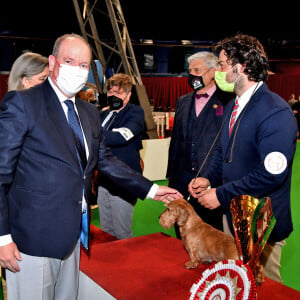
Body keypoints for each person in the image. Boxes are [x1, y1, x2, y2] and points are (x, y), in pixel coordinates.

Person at [0, 33, 182, 300]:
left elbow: (105, 161)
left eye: (84, 65)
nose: (77, 70)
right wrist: (3, 238)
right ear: (52, 63)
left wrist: (152, 190)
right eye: (69, 61)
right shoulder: (23, 103)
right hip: (31, 240)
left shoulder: (88, 113)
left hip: (74, 238)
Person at [188, 34, 298, 283]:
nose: (218, 70)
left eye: (223, 65)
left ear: (242, 68)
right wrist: (207, 178)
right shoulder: (233, 106)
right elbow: (223, 153)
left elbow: (270, 174)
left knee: (264, 286)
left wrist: (220, 195)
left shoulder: (275, 112)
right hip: (234, 217)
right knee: (238, 282)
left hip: (262, 223)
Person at [167, 51, 232, 234]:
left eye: (197, 70)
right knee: (181, 234)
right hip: (181, 182)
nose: (192, 75)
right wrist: (172, 176)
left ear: (212, 72)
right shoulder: (183, 101)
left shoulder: (228, 100)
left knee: (212, 237)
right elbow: (176, 141)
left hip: (212, 182)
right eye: (190, 70)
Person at [97, 73, 144, 239]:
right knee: (106, 230)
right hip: (103, 179)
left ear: (128, 95)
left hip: (124, 181)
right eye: (110, 93)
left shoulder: (136, 113)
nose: (113, 97)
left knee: (122, 232)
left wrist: (93, 132)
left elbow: (120, 138)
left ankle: (127, 263)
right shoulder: (103, 114)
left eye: (118, 93)